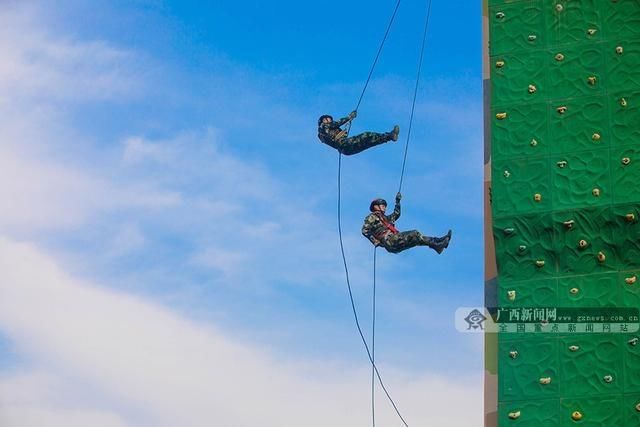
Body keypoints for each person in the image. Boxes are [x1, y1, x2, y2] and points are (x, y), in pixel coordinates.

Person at [362, 192, 452, 254]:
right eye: (382, 206)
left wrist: (397, 202)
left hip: (394, 241)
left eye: (385, 206)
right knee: (415, 234)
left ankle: (438, 244)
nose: (384, 208)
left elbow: (396, 214)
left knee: (416, 239)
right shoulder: (372, 217)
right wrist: (375, 242)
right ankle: (437, 244)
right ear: (376, 207)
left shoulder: (385, 219)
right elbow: (365, 230)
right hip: (389, 240)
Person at [317, 110, 400, 155]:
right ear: (322, 121)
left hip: (346, 150)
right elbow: (337, 123)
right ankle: (388, 136)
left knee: (368, 142)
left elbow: (335, 127)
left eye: (329, 119)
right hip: (344, 144)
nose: (328, 120)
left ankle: (389, 136)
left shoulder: (327, 131)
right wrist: (350, 117)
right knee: (366, 136)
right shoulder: (323, 127)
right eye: (326, 119)